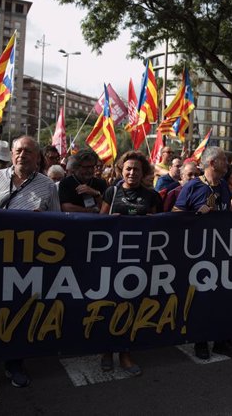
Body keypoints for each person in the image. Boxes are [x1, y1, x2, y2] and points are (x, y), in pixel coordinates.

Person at [0, 136, 60, 399]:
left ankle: (15, 364)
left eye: (28, 151)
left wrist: (45, 222)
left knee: (19, 312)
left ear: (37, 157)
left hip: (25, 262)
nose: (22, 155)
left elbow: (59, 224)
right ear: (12, 154)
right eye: (18, 151)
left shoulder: (48, 186)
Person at [173, 146, 232, 359]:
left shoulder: (222, 186)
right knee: (200, 299)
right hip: (198, 254)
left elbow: (224, 210)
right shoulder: (193, 186)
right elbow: (176, 214)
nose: (228, 163)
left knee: (222, 299)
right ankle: (200, 341)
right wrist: (197, 214)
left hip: (221, 251)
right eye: (224, 160)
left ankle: (222, 341)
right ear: (212, 163)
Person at [98, 151, 162, 377]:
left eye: (136, 169)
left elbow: (159, 226)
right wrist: (110, 221)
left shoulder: (152, 196)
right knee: (108, 304)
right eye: (128, 169)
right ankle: (106, 351)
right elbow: (99, 222)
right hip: (112, 258)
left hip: (139, 259)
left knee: (132, 305)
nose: (132, 172)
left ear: (143, 172)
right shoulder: (111, 191)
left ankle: (126, 352)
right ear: (121, 170)